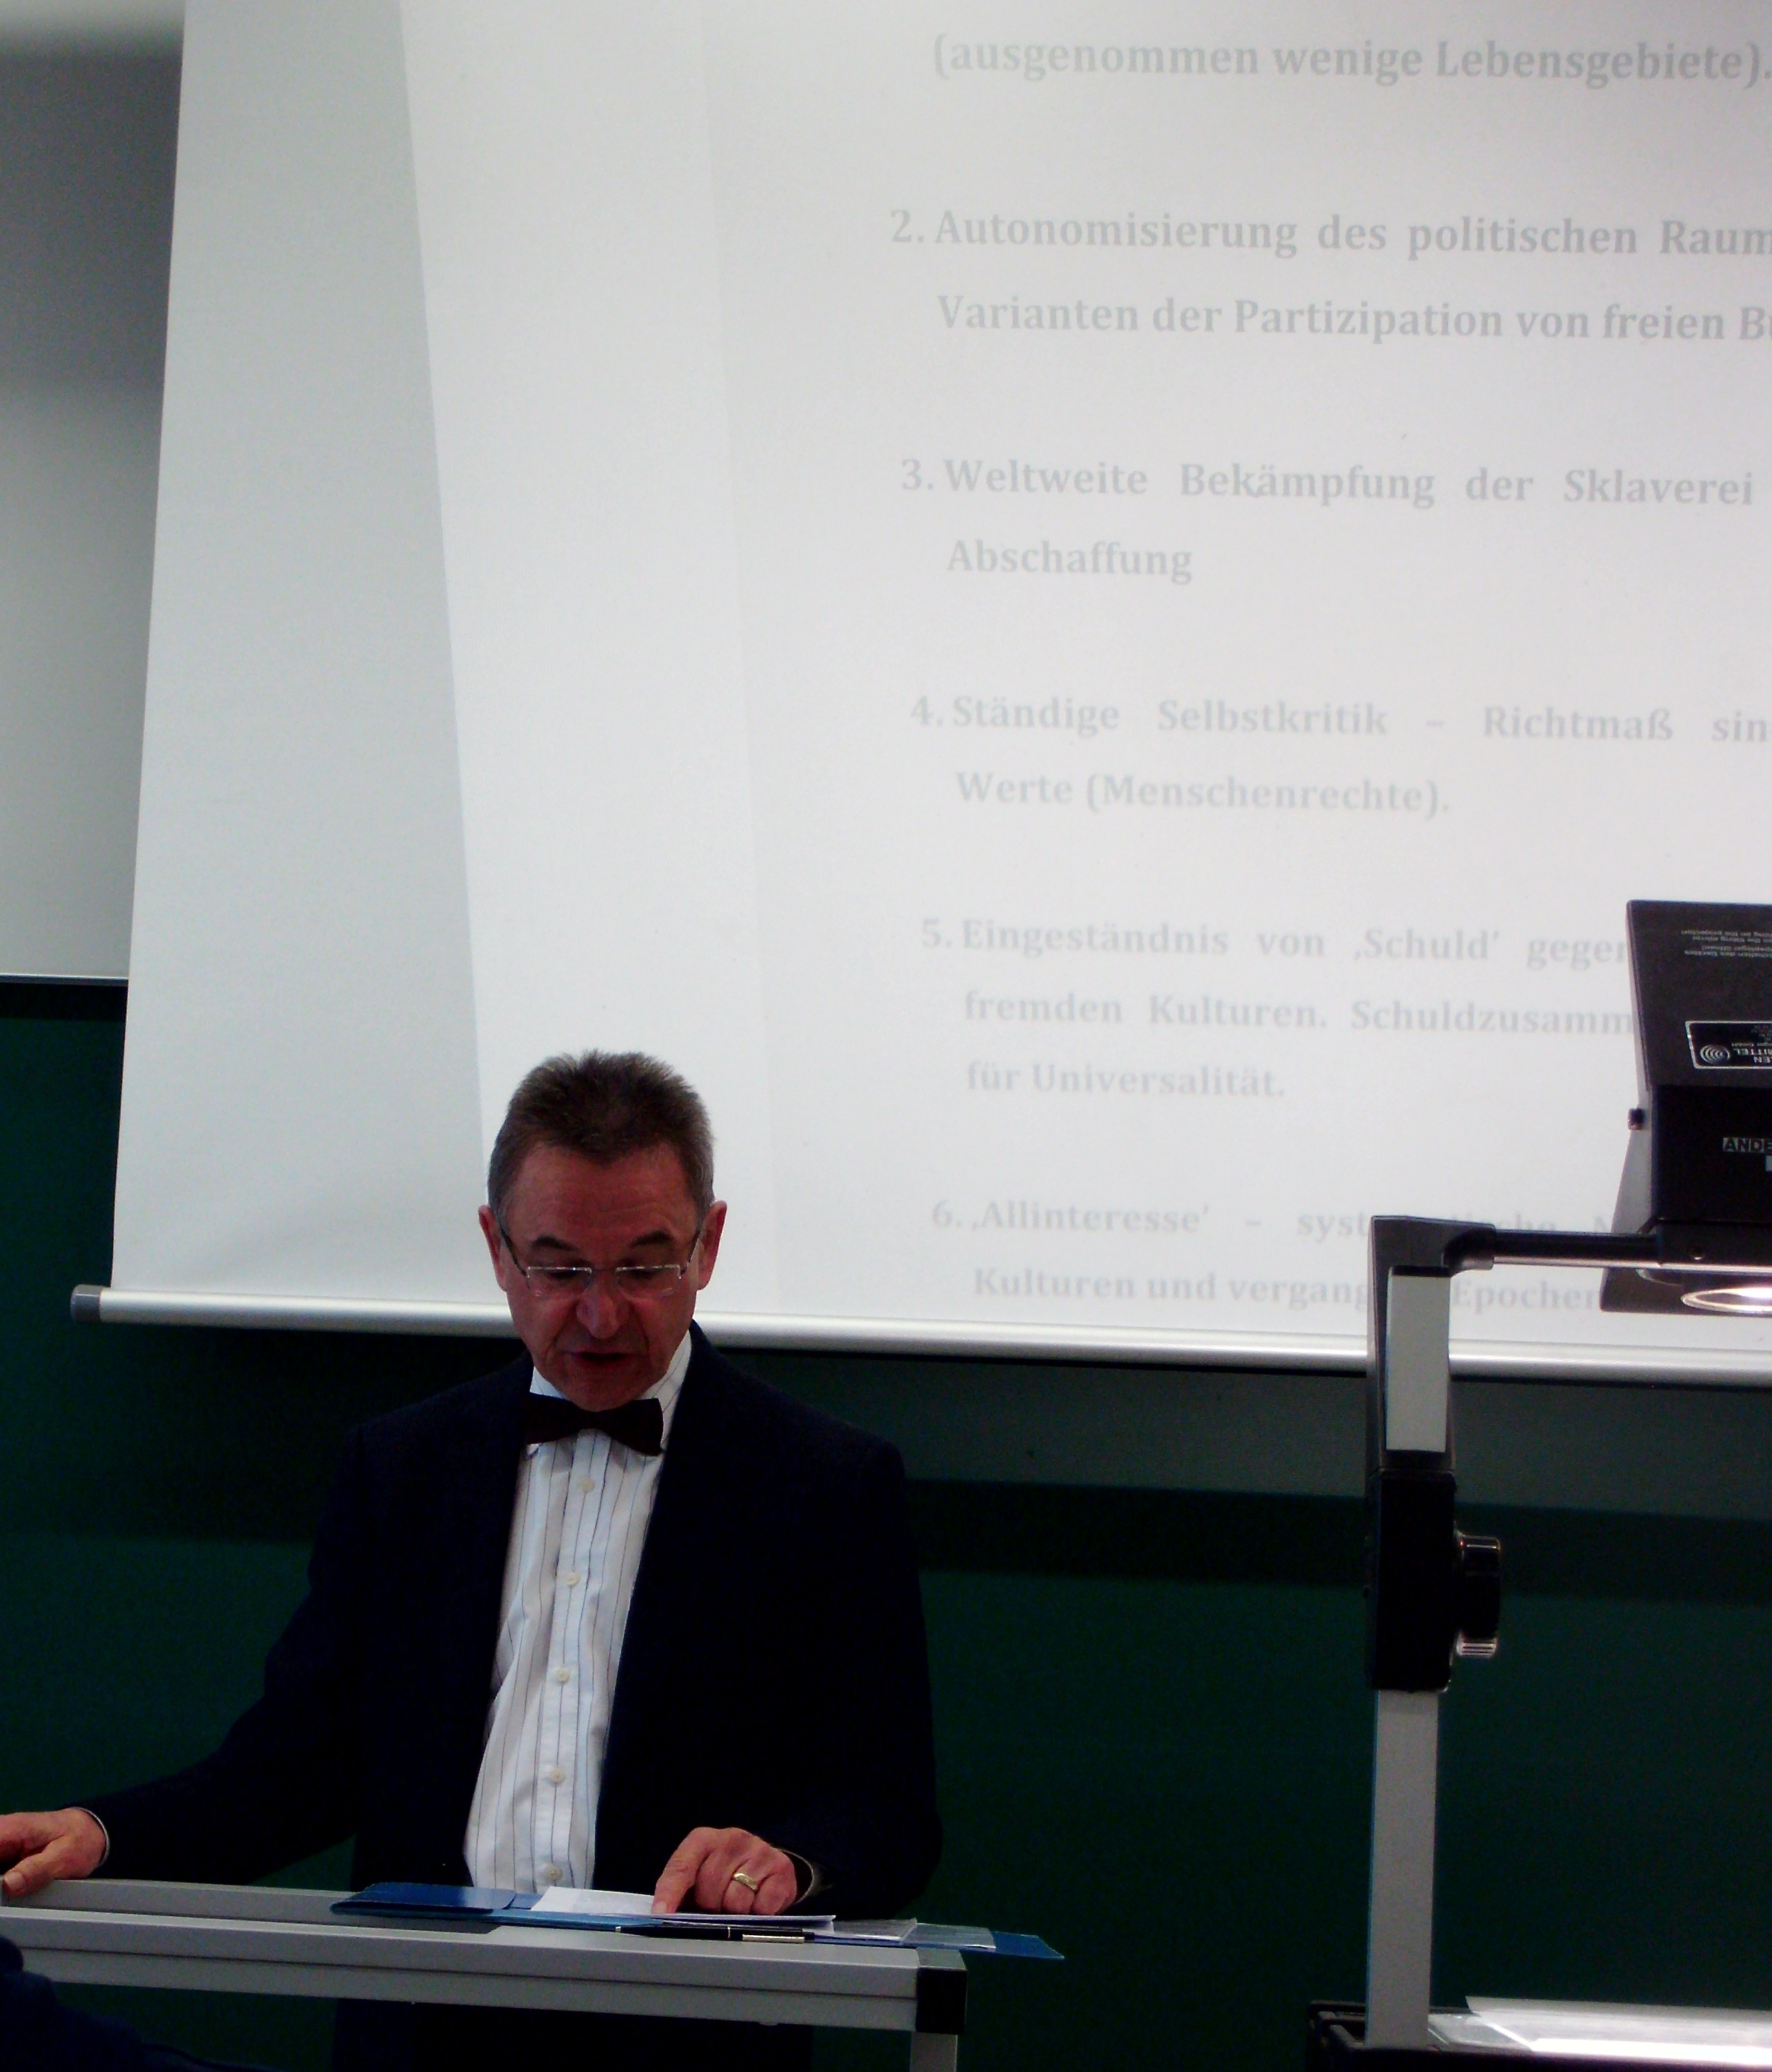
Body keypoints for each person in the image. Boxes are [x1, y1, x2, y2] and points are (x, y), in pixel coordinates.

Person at [0, 1053, 941, 2071]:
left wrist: (789, 1863)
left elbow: (889, 1809)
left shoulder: (825, 1485)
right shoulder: (402, 1467)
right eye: (560, 1268)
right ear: (496, 1248)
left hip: (691, 2042)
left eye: (642, 1268)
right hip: (423, 2033)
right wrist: (106, 1833)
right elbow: (296, 1767)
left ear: (708, 1245)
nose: (600, 1314)